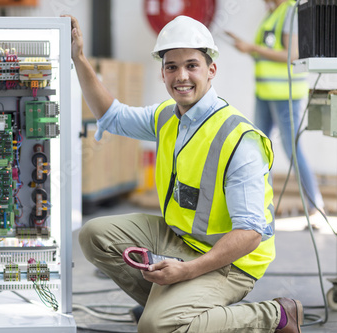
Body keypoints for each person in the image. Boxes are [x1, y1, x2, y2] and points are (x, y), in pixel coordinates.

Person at [64, 13, 303, 333]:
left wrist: (188, 271)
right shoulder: (167, 116)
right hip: (181, 237)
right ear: (163, 74)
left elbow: (250, 234)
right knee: (94, 235)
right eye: (172, 66)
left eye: (192, 65)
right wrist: (78, 57)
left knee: (154, 327)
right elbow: (112, 115)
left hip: (232, 262)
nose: (182, 76)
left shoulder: (239, 140)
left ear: (211, 70)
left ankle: (275, 315)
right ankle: (172, 303)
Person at [226, 0, 325, 222]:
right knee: (258, 147)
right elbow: (270, 51)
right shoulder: (273, 13)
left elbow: (292, 55)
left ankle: (315, 205)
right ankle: (261, 205)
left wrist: (252, 48)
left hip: (284, 94)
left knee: (292, 148)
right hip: (266, 92)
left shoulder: (290, 11)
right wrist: (248, 49)